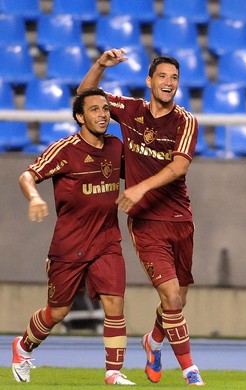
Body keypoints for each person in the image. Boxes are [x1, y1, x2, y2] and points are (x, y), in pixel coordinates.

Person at [77, 49, 204, 385]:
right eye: (162, 76)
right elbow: (84, 96)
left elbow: (180, 166)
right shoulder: (130, 110)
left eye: (174, 78)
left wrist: (140, 187)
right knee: (172, 296)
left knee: (179, 298)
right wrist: (101, 66)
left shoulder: (186, 121)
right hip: (146, 222)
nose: (168, 82)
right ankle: (191, 370)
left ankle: (154, 341)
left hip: (180, 218)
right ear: (150, 81)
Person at [11, 89, 135, 385]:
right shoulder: (65, 150)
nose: (103, 114)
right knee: (58, 311)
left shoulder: (116, 146)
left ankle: (113, 373)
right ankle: (23, 347)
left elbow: (139, 173)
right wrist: (34, 198)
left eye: (105, 109)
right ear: (80, 116)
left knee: (115, 304)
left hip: (107, 240)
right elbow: (27, 176)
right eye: (94, 110)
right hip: (70, 245)